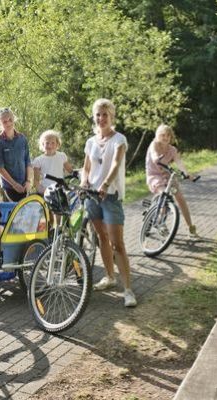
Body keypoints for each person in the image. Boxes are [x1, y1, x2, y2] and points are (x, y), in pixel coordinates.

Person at [81, 98, 137, 307]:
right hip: (92, 195)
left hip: (110, 195)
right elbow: (86, 167)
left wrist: (104, 184)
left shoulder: (119, 139)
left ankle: (128, 290)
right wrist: (84, 181)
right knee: (101, 237)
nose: (101, 118)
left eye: (105, 114)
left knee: (118, 244)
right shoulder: (90, 142)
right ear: (94, 117)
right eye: (98, 114)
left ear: (112, 117)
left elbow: (115, 164)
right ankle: (109, 277)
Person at [146, 124, 198, 237]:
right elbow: (154, 155)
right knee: (163, 194)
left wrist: (186, 173)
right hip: (154, 175)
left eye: (168, 136)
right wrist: (156, 158)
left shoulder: (172, 149)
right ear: (158, 135)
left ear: (171, 137)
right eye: (162, 135)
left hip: (167, 175)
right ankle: (161, 223)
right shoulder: (153, 144)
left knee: (180, 197)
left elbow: (179, 162)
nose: (165, 138)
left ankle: (191, 227)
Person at [0, 107, 33, 202]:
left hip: (25, 185)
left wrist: (28, 181)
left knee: (26, 213)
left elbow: (28, 162)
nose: (8, 123)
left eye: (10, 120)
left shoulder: (22, 139)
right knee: (17, 213)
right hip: (10, 187)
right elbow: (0, 168)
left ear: (13, 119)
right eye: (4, 122)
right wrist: (14, 184)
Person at [32, 130, 73, 195]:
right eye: (47, 143)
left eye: (53, 143)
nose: (50, 146)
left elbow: (71, 171)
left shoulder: (62, 156)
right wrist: (43, 191)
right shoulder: (38, 160)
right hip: (46, 192)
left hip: (60, 191)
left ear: (57, 144)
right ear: (43, 144)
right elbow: (36, 181)